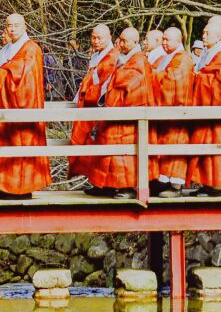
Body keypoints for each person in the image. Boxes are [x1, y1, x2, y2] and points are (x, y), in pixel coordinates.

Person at [0, 13, 50, 198]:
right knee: (2, 141)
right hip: (4, 104)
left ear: (25, 26)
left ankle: (20, 188)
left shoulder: (31, 49)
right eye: (9, 25)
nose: (12, 29)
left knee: (19, 145)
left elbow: (21, 78)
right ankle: (0, 184)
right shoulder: (6, 49)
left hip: (21, 104)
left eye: (16, 25)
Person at [87, 27, 154, 198]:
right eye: (121, 40)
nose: (121, 43)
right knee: (106, 147)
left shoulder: (139, 61)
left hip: (127, 116)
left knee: (124, 154)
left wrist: (117, 86)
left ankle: (126, 187)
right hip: (114, 111)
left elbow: (136, 87)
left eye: (125, 41)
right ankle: (106, 184)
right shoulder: (125, 59)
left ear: (135, 42)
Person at [188, 16, 221, 195]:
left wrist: (199, 77)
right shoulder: (209, 53)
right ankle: (206, 183)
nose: (204, 35)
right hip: (206, 109)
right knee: (205, 150)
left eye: (208, 33)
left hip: (216, 110)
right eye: (204, 32)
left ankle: (217, 185)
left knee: (215, 151)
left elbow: (220, 84)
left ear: (218, 37)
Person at [67, 25, 117, 182]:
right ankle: (95, 181)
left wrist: (85, 94)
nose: (95, 41)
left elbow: (104, 87)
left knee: (99, 147)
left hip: (99, 108)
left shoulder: (112, 57)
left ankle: (103, 183)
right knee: (88, 146)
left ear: (109, 37)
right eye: (93, 37)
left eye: (99, 38)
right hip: (88, 107)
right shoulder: (97, 55)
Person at [151, 27, 195, 196]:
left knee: (175, 146)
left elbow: (174, 81)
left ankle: (175, 185)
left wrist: (154, 75)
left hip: (178, 112)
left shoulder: (183, 58)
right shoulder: (170, 57)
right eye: (163, 39)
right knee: (166, 146)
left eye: (167, 39)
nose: (163, 42)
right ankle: (164, 181)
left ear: (178, 40)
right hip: (167, 112)